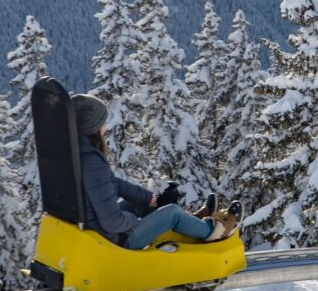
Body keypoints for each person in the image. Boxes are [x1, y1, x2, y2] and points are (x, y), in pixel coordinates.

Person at [71, 92, 242, 249]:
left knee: (143, 204)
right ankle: (213, 230)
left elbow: (111, 183)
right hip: (117, 239)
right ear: (92, 128)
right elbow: (112, 222)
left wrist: (149, 199)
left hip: (97, 227)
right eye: (103, 123)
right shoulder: (92, 162)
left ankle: (192, 223)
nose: (106, 128)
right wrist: (133, 220)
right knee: (172, 213)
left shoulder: (78, 153)